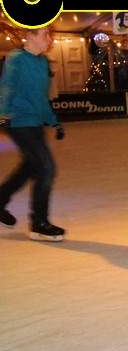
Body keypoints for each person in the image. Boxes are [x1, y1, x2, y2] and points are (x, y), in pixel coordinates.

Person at [0, 25, 66, 241]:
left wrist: (54, 123)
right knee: (46, 168)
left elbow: (42, 98)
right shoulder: (17, 58)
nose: (50, 39)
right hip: (17, 121)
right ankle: (39, 223)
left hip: (35, 123)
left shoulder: (42, 62)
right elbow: (7, 86)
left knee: (30, 166)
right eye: (45, 34)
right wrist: (2, 114)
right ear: (30, 36)